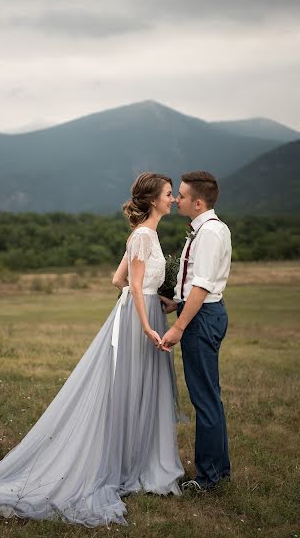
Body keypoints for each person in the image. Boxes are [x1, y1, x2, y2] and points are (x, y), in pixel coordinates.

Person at [0, 172, 183, 527]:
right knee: (125, 388)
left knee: (131, 388)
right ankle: (122, 464)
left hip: (140, 310)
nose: (172, 199)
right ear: (154, 199)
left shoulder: (147, 235)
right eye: (169, 194)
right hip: (136, 322)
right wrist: (145, 323)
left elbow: (117, 280)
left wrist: (155, 297)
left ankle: (132, 460)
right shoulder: (143, 235)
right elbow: (133, 283)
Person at [159, 171, 231, 491]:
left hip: (202, 318)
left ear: (198, 202)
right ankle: (218, 472)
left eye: (183, 196)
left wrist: (178, 326)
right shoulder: (202, 230)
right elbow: (196, 283)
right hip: (199, 310)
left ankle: (209, 479)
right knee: (209, 398)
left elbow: (203, 286)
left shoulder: (211, 233)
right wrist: (176, 302)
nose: (177, 200)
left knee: (205, 400)